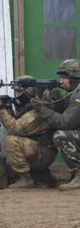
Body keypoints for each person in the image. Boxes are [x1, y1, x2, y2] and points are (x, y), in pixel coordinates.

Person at [0, 76, 58, 188]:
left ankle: (25, 179)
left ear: (30, 92)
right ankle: (43, 176)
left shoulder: (40, 107)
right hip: (41, 150)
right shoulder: (28, 106)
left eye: (19, 91)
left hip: (44, 153)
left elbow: (15, 128)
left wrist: (1, 109)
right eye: (15, 92)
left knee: (11, 141)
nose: (16, 95)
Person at [33, 59, 80, 190]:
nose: (61, 82)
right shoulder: (74, 93)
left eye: (64, 78)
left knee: (60, 135)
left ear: (75, 77)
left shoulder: (78, 95)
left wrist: (42, 109)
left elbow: (65, 123)